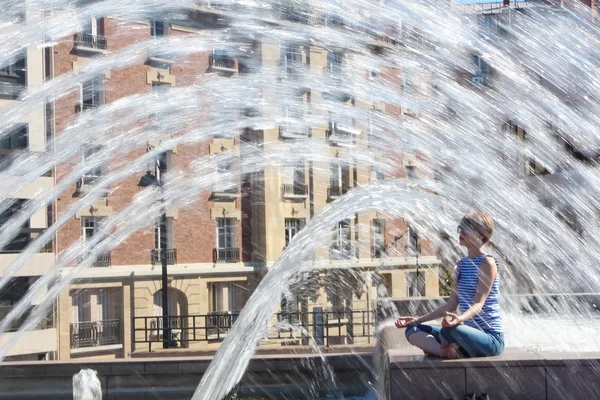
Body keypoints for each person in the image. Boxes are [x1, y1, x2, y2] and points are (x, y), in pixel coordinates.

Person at [395, 211, 504, 359]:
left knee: (450, 331)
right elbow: (450, 306)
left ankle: (446, 347)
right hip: (462, 333)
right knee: (412, 329)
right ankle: (445, 352)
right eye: (461, 228)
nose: (461, 232)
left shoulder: (487, 263)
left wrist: (459, 319)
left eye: (467, 229)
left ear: (482, 237)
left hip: (489, 339)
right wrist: (417, 319)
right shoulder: (462, 264)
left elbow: (479, 304)